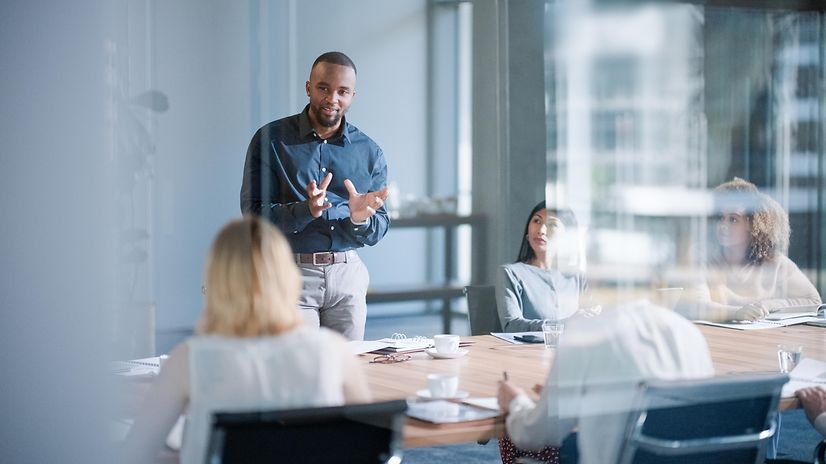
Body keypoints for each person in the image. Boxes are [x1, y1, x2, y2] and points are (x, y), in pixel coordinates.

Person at [121, 218, 371, 464]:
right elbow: (366, 445)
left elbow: (136, 452)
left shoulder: (190, 360)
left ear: (217, 283)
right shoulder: (334, 352)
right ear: (288, 278)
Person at [240, 51, 389, 341]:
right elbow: (253, 213)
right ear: (309, 87)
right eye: (324, 88)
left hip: (347, 274)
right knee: (300, 371)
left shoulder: (369, 152)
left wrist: (359, 220)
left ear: (352, 95)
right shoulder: (271, 140)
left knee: (346, 372)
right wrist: (306, 210)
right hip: (290, 274)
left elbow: (380, 225)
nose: (332, 99)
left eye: (342, 91)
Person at [497, 302, 715, 464]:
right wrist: (576, 396)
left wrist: (516, 401)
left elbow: (538, 435)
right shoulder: (689, 333)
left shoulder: (586, 336)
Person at [678, 178, 821, 322]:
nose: (722, 225)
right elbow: (696, 306)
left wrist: (767, 305)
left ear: (753, 224)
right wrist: (738, 313)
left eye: (733, 219)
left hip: (761, 341)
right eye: (720, 217)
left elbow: (814, 301)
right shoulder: (701, 256)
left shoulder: (775, 262)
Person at [496, 201, 587, 332]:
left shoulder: (577, 276)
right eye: (537, 221)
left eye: (552, 225)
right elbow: (511, 326)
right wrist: (564, 324)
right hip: (529, 351)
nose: (541, 230)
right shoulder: (510, 273)